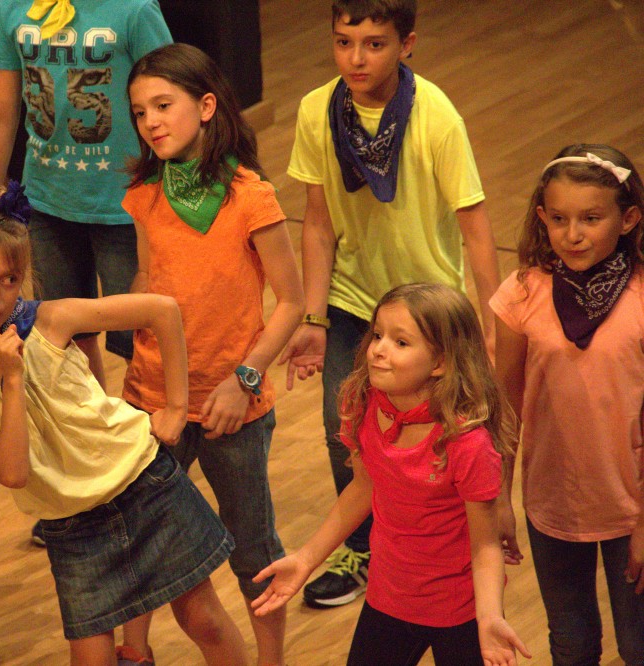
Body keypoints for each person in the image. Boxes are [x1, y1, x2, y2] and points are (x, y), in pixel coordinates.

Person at [0, 184, 247, 666]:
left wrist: (177, 407)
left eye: (9, 279)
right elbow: (11, 472)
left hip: (144, 485)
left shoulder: (52, 320)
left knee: (204, 620)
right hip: (71, 525)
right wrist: (12, 379)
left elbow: (162, 310)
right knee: (91, 658)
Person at [281, 0, 502, 609]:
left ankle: (449, 553)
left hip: (427, 312)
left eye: (374, 44)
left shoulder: (436, 116)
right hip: (353, 300)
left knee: (441, 442)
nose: (356, 58)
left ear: (406, 45)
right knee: (345, 430)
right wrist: (314, 315)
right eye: (343, 42)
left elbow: (476, 226)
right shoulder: (315, 110)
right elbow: (318, 222)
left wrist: (489, 326)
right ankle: (362, 548)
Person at [122, 43, 304, 666]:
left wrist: (243, 380)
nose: (150, 122)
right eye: (140, 112)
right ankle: (134, 653)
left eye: (163, 105)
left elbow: (292, 302)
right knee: (140, 531)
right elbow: (147, 282)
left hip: (232, 407)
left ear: (205, 107)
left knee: (252, 548)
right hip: (153, 396)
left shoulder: (251, 196)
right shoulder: (143, 196)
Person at [252, 283, 530, 666]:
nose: (379, 349)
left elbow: (485, 546)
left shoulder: (468, 443)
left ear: (441, 362)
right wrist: (305, 559)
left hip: (460, 610)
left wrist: (491, 616)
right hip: (389, 596)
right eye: (378, 335)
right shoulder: (362, 402)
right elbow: (364, 487)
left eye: (401, 342)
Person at [493, 145, 644, 665]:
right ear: (542, 217)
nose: (572, 234)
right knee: (572, 642)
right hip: (553, 501)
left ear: (628, 219)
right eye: (558, 219)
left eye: (590, 219)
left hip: (633, 507)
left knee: (638, 645)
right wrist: (499, 497)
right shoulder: (522, 293)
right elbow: (505, 405)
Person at [0, 0, 173, 390]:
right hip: (46, 205)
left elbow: (172, 95)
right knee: (64, 340)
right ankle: (92, 421)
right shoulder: (10, 7)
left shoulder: (134, 9)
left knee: (141, 343)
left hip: (127, 210)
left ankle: (149, 424)